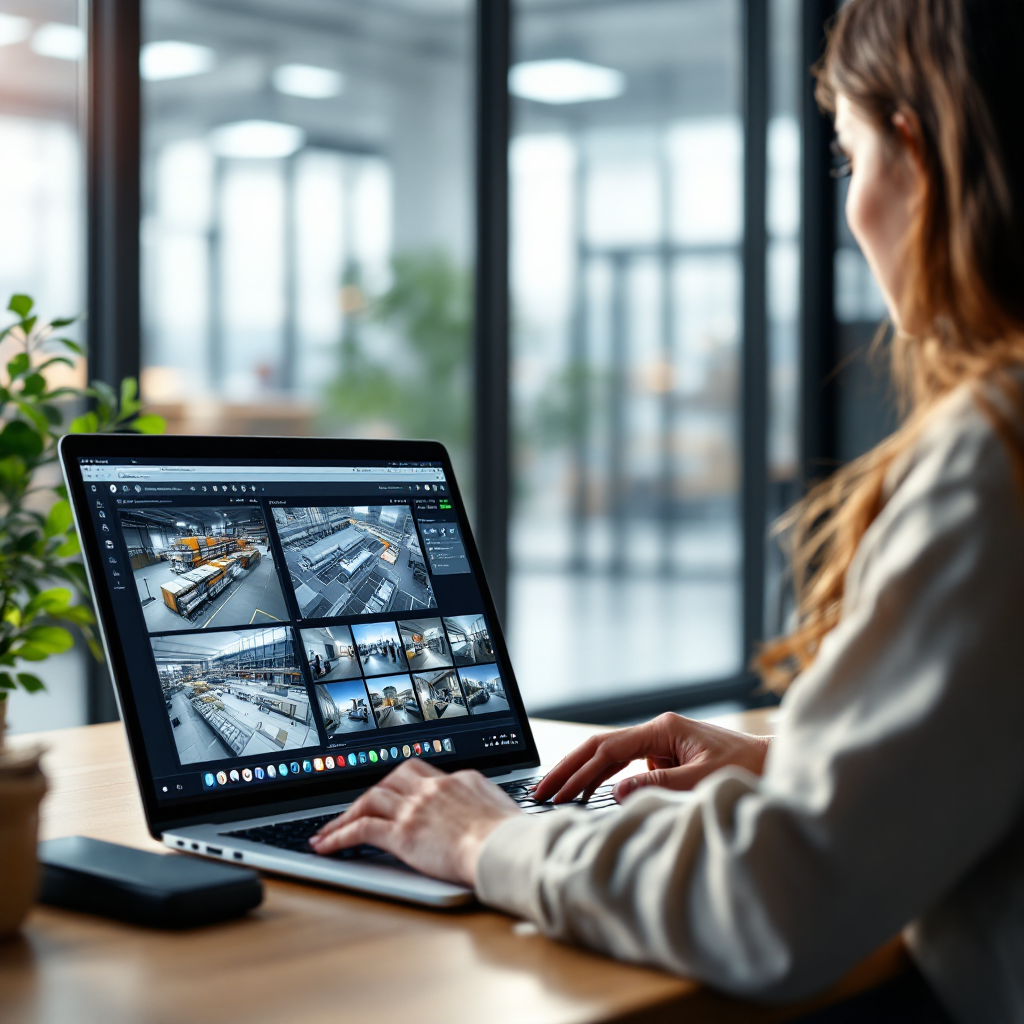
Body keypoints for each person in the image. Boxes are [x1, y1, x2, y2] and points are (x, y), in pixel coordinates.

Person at [312, 1, 1024, 1019]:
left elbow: (779, 901)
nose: (852, 198)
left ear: (911, 154)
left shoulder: (996, 450)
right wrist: (803, 764)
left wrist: (487, 837)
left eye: (847, 155)